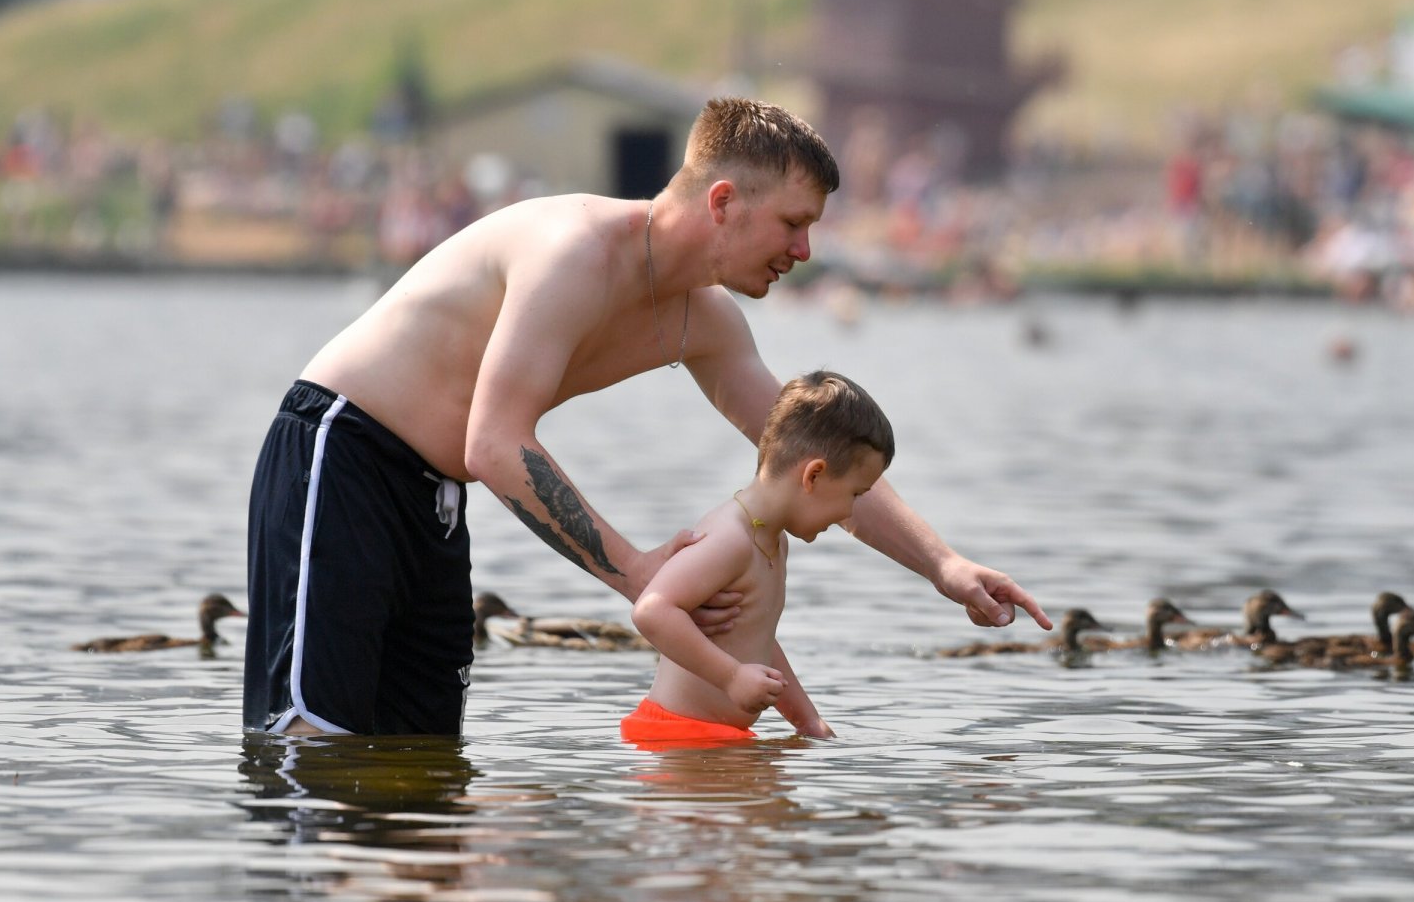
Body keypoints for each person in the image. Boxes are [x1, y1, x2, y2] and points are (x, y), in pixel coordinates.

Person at [245, 97, 1050, 737]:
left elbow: (821, 463)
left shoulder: (709, 322)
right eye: (794, 224)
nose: (804, 252)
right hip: (341, 451)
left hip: (434, 496)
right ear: (725, 201)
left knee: (422, 756)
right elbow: (494, 444)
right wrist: (636, 572)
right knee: (314, 742)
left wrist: (943, 565)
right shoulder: (574, 252)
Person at [622, 370, 891, 748]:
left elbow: (758, 641)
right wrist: (732, 677)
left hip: (717, 738)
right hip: (678, 736)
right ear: (813, 475)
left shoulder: (773, 541)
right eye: (855, 494)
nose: (850, 510)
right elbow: (652, 610)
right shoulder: (730, 538)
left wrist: (808, 720)